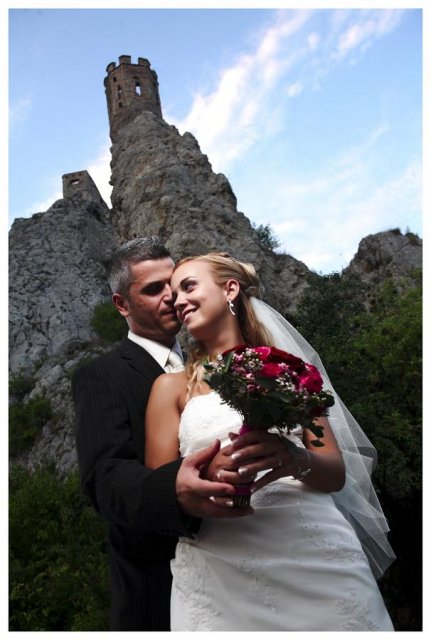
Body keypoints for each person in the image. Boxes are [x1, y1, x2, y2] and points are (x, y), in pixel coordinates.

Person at [145, 251, 396, 631]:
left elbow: (334, 474)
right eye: (174, 294)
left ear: (230, 289)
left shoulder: (293, 373)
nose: (178, 301)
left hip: (314, 553)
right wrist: (206, 474)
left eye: (188, 287)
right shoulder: (171, 387)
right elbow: (159, 488)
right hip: (220, 565)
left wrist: (295, 458)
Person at [72, 238, 281, 631]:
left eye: (174, 284)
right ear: (122, 305)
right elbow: (104, 478)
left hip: (265, 558)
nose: (171, 297)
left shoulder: (215, 364)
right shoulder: (102, 376)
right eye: (153, 290)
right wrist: (174, 488)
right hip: (159, 589)